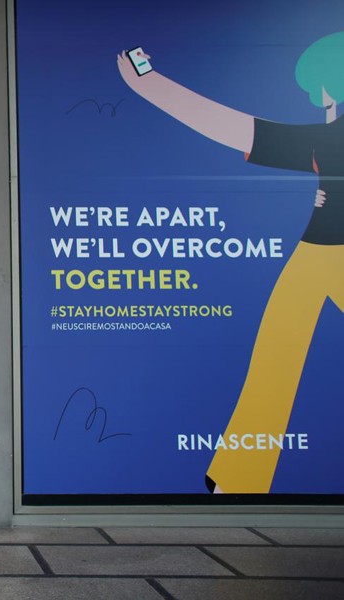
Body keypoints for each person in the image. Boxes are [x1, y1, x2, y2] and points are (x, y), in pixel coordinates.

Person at [117, 33, 344, 493]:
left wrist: (149, 83)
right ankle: (239, 477)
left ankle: (239, 478)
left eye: (320, 93)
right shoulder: (330, 137)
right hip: (318, 250)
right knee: (276, 353)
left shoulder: (332, 136)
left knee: (275, 356)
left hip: (326, 252)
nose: (319, 102)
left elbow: (237, 129)